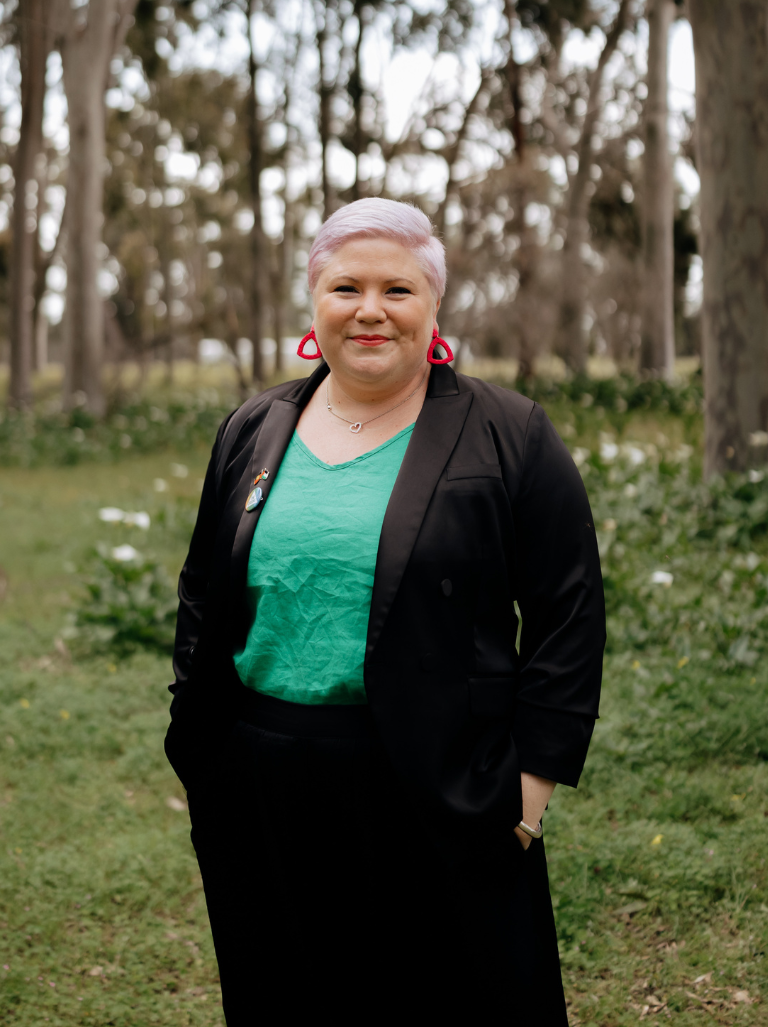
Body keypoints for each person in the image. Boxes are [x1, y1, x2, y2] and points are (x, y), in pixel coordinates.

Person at [165, 197, 605, 1025]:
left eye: (397, 290)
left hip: (440, 780)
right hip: (262, 777)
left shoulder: (508, 432)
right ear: (315, 301)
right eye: (346, 288)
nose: (370, 310)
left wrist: (531, 789)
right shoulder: (255, 428)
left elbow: (568, 614)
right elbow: (202, 591)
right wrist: (200, 745)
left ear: (433, 305)